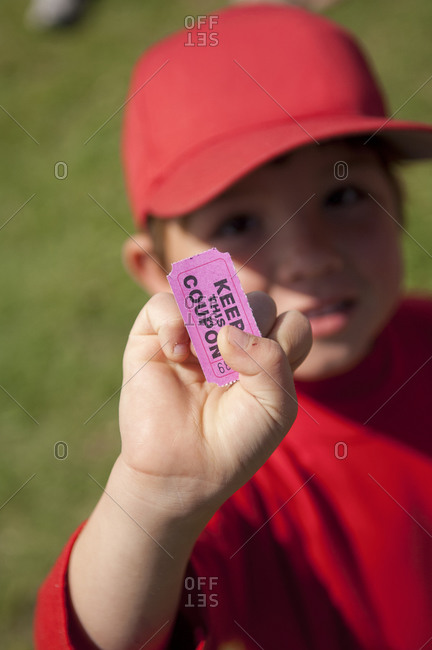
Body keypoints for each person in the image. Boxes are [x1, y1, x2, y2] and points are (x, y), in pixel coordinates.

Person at [34, 4, 432, 649]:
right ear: (159, 272)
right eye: (238, 224)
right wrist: (160, 498)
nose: (311, 256)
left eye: (343, 196)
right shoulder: (222, 455)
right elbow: (105, 639)